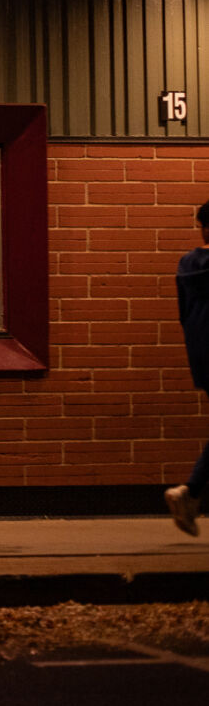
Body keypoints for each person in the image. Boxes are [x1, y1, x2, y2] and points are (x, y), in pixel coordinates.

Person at [166, 199, 209, 536]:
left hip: (203, 353)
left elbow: (183, 314)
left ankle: (192, 493)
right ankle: (191, 491)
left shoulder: (187, 264)